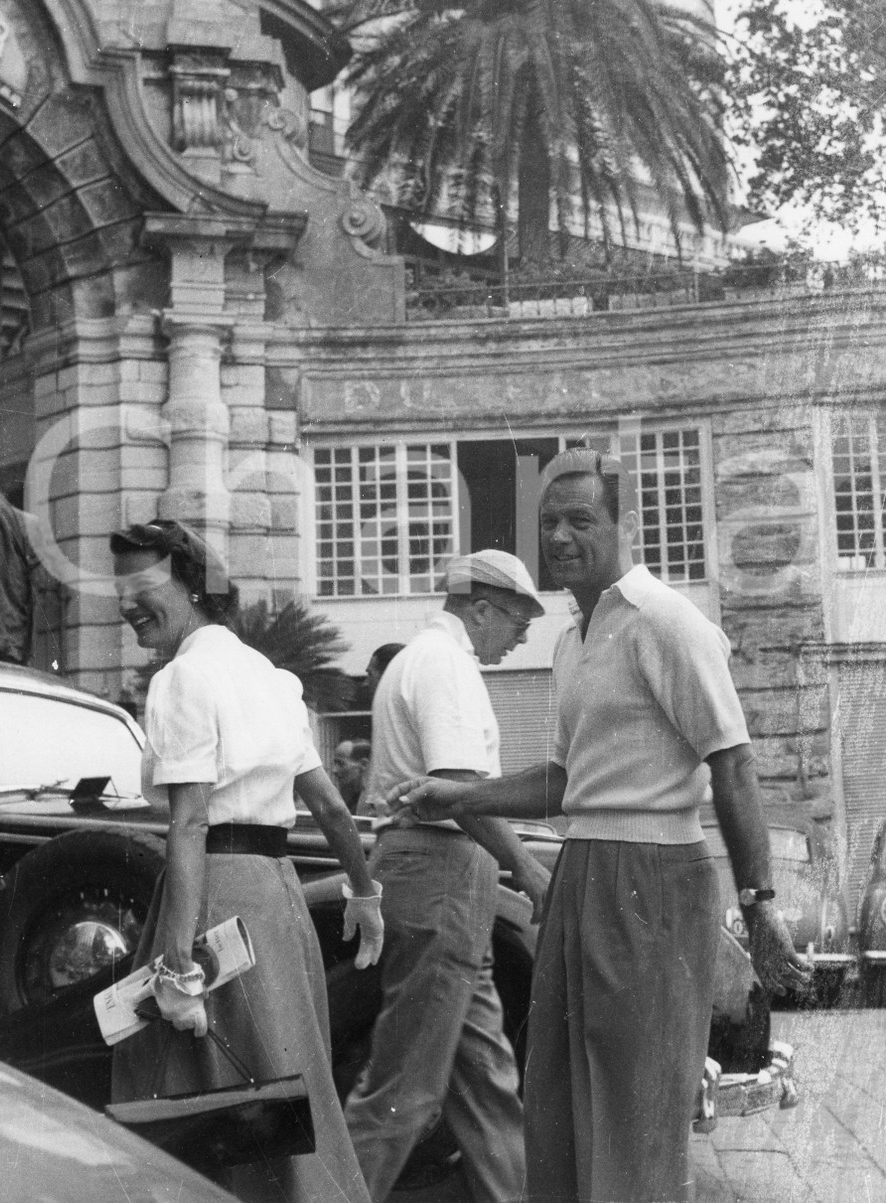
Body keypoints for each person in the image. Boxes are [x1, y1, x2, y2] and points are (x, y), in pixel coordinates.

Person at [391, 450, 813, 1203]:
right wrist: (458, 798)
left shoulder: (669, 622)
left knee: (635, 1110)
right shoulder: (574, 638)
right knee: (558, 1103)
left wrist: (759, 901)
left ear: (628, 525)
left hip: (653, 878)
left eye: (580, 519)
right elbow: (562, 781)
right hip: (583, 870)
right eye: (548, 521)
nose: (558, 536)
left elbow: (734, 763)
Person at [109, 519, 383, 1203]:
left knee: (190, 1092)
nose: (125, 605)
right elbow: (329, 806)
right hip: (276, 898)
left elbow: (190, 820)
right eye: (120, 589)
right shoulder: (272, 679)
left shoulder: (182, 679)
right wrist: (364, 891)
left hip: (214, 897)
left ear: (194, 585)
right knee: (287, 1085)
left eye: (144, 586)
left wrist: (176, 966)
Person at [344, 549, 551, 1203]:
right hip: (439, 875)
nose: (520, 639)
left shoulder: (421, 661)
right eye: (516, 622)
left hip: (438, 878)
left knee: (486, 1077)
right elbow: (461, 790)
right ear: (481, 608)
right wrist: (528, 867)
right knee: (404, 1089)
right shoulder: (446, 666)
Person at [333, 737, 372, 813]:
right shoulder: (348, 795)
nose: (334, 770)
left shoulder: (373, 800)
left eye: (341, 763)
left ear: (364, 764)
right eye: (335, 763)